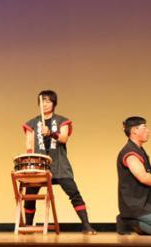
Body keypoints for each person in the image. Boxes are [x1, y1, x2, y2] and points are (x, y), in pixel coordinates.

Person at [22, 90, 96, 234]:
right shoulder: (32, 123)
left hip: (59, 164)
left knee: (74, 193)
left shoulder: (62, 120)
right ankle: (29, 226)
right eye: (42, 101)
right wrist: (31, 164)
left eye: (48, 101)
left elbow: (63, 138)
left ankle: (86, 225)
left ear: (54, 103)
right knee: (30, 195)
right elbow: (29, 145)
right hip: (40, 165)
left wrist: (50, 133)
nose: (45, 104)